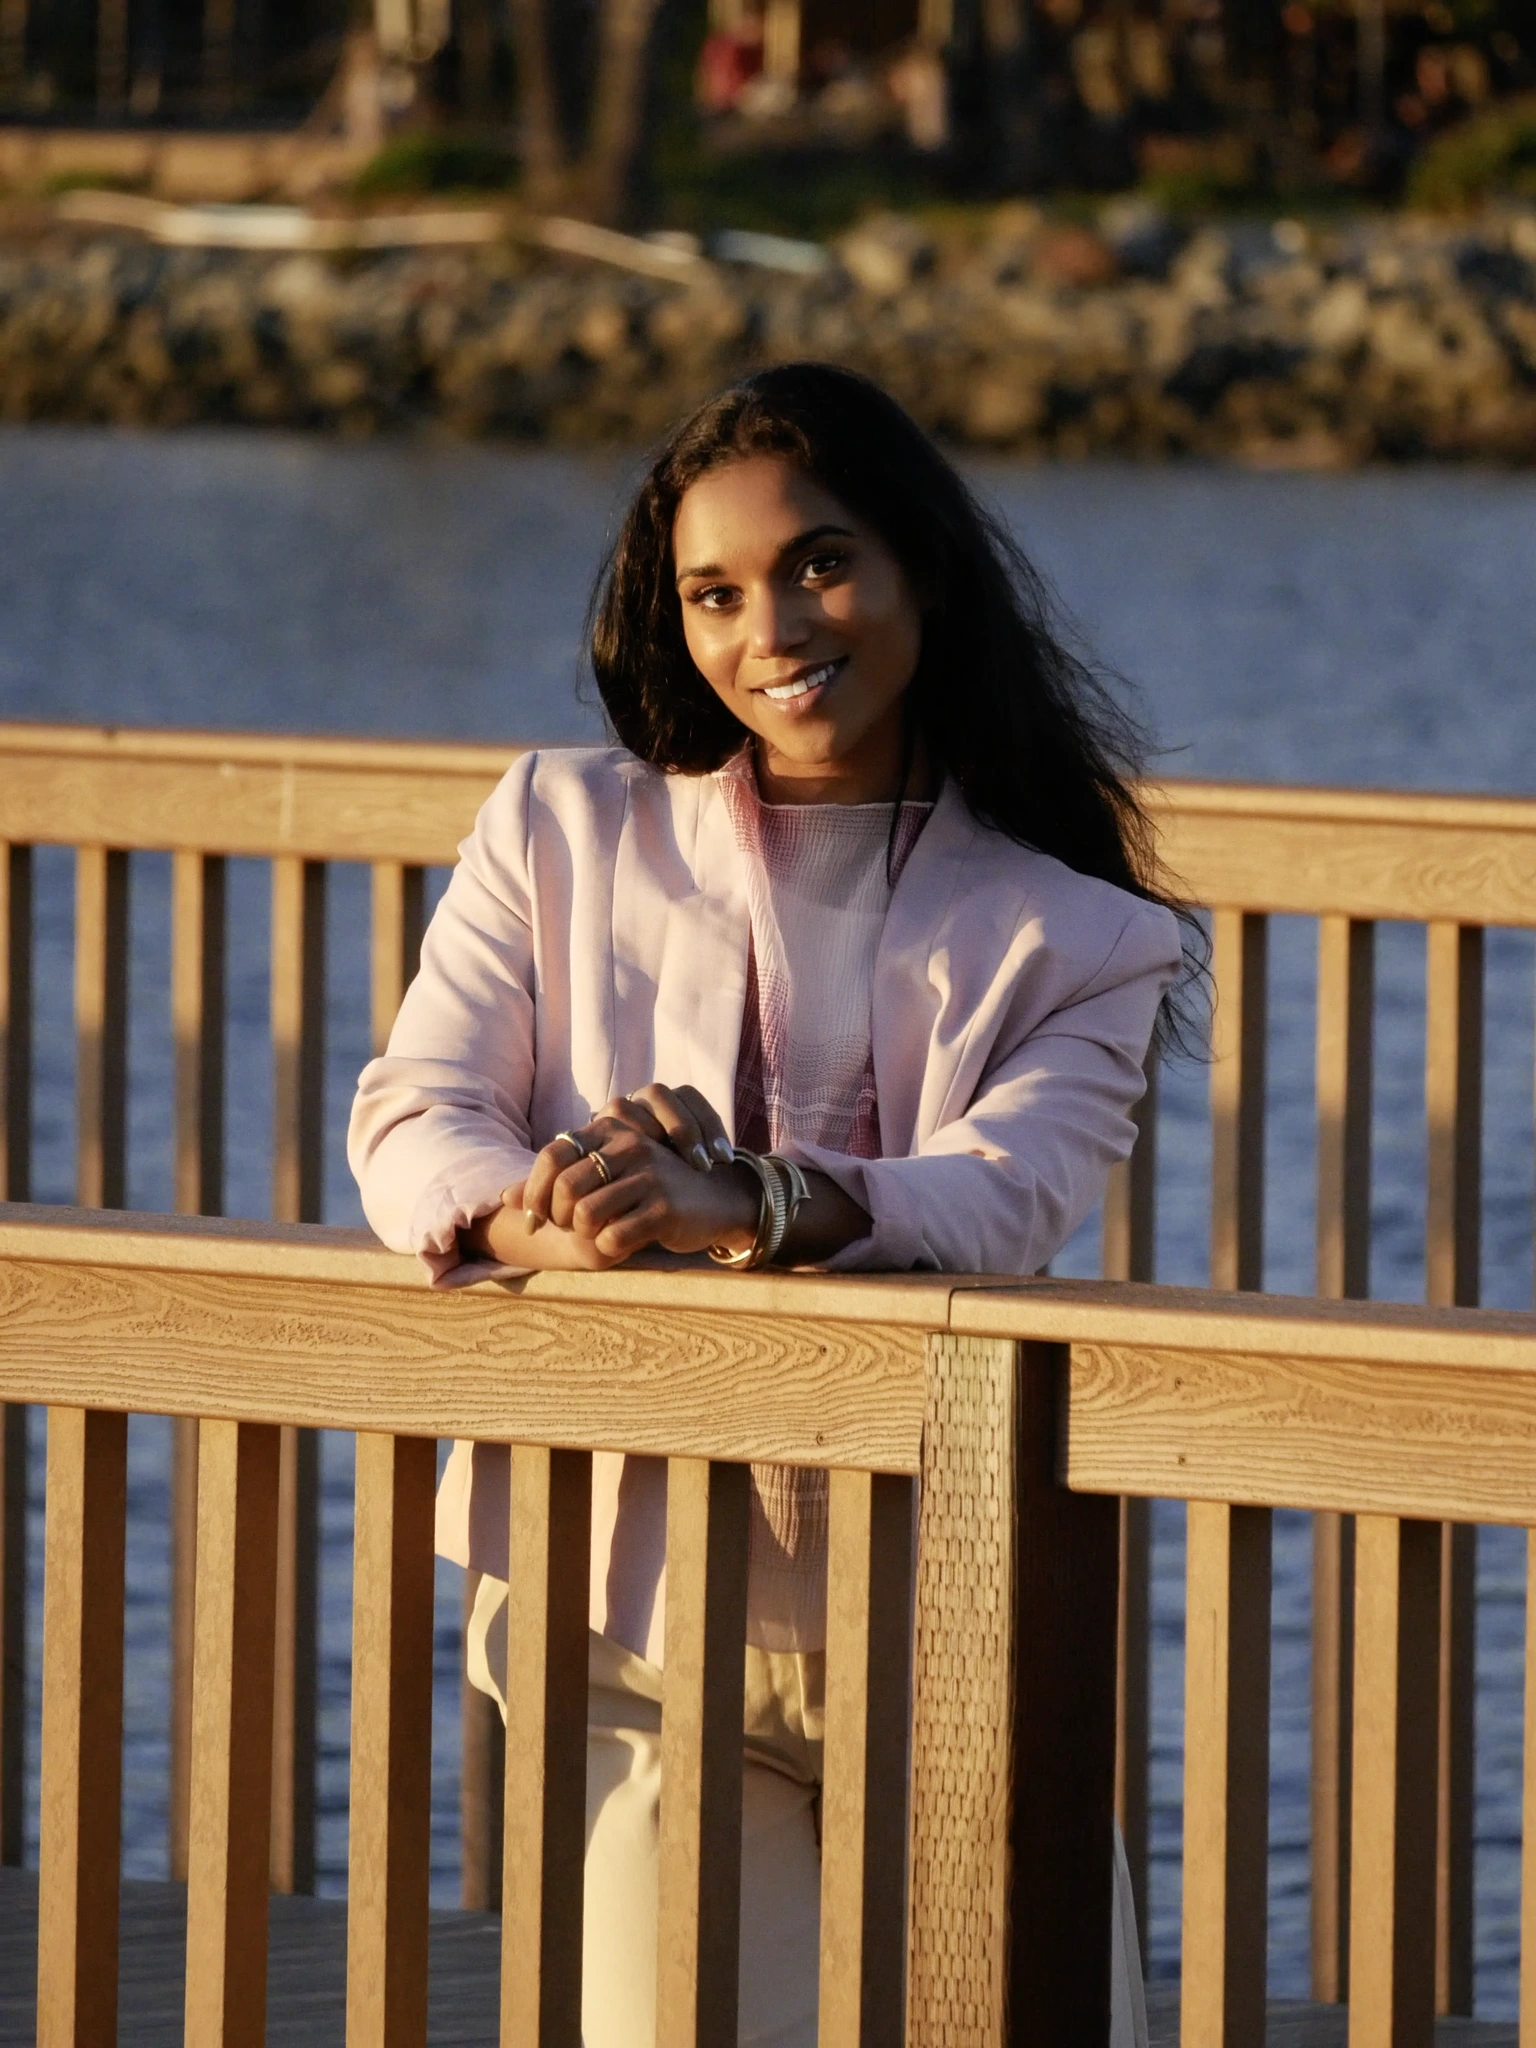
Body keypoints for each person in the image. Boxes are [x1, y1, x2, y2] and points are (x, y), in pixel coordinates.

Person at [348, 362, 1195, 2047]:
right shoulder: (557, 827)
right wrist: (556, 1214)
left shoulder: (1085, 932)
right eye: (714, 592)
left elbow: (1000, 1201)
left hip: (955, 1609)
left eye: (821, 563)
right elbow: (409, 1118)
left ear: (922, 572)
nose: (773, 627)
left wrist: (739, 1195)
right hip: (629, 1612)